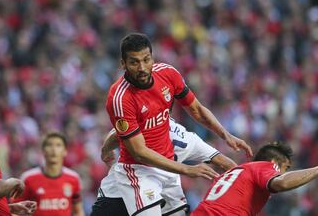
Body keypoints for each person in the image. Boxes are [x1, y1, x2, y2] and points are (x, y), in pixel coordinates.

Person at [105, 33, 253, 216]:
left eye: (146, 59)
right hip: (140, 171)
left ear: (153, 57)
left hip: (167, 165)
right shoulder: (120, 98)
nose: (142, 67)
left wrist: (226, 135)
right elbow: (139, 152)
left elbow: (197, 110)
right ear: (123, 64)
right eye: (134, 62)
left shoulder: (168, 74)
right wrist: (187, 169)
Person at [91, 118, 237, 216]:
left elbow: (117, 135)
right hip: (137, 196)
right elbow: (226, 163)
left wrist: (105, 151)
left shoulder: (142, 123)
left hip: (119, 196)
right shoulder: (188, 138)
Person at [191, 142, 318, 216]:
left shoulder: (236, 173)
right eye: (285, 168)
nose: (282, 173)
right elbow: (282, 183)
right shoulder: (265, 166)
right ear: (274, 163)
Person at [15, 132, 84, 216]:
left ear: (65, 151)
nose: (53, 149)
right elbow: (15, 211)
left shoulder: (74, 178)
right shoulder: (28, 178)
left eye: (58, 145)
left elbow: (78, 211)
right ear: (43, 150)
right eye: (49, 145)